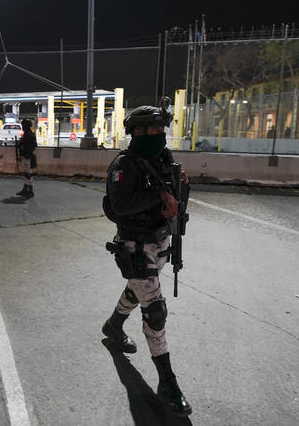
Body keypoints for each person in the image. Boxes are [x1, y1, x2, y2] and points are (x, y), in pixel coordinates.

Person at [101, 104, 192, 417]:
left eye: (160, 129)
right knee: (155, 310)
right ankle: (167, 382)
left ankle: (114, 325)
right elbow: (120, 204)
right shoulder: (123, 164)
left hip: (161, 240)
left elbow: (176, 198)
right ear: (136, 132)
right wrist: (161, 196)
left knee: (138, 291)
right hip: (135, 245)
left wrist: (180, 190)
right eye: (151, 130)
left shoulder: (164, 159)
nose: (158, 135)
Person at [15, 119, 37, 198]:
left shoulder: (29, 135)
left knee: (28, 174)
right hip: (26, 156)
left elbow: (32, 146)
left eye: (24, 126)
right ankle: (26, 189)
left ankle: (30, 191)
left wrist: (22, 147)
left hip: (27, 156)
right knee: (26, 173)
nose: (23, 127)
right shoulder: (28, 134)